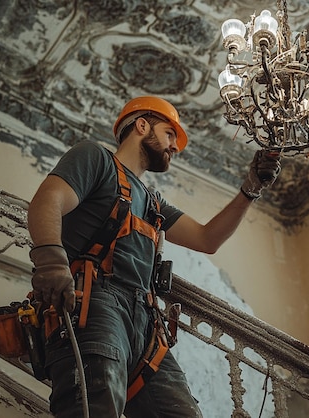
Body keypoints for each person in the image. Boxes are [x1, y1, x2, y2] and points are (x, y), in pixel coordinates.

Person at [27, 96, 281, 418]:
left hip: (147, 324)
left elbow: (207, 239)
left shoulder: (153, 203)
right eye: (170, 134)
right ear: (142, 125)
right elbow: (47, 200)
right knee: (94, 407)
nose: (174, 146)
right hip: (95, 305)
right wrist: (51, 262)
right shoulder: (95, 159)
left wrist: (250, 189)